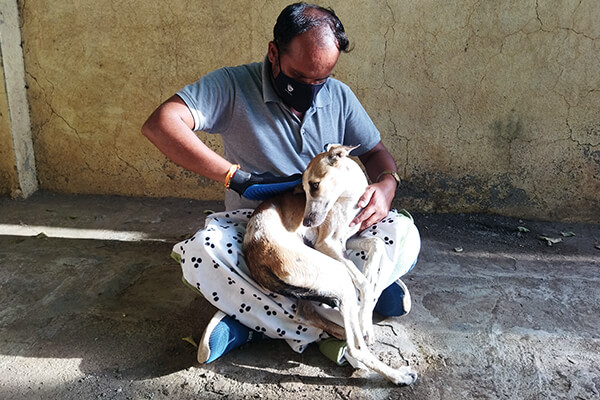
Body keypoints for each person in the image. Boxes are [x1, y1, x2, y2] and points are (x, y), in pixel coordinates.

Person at [142, 2, 420, 365]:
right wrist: (235, 177)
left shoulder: (338, 95)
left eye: (321, 79)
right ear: (273, 52)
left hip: (331, 228)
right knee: (202, 253)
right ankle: (345, 312)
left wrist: (387, 185)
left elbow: (376, 153)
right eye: (301, 77)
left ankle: (254, 320)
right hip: (259, 226)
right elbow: (161, 124)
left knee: (403, 233)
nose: (311, 88)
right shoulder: (233, 85)